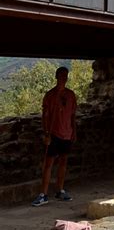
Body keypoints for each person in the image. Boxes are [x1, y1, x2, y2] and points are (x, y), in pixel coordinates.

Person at [32, 66, 77, 207]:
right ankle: (43, 194)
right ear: (56, 76)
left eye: (66, 75)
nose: (64, 77)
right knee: (48, 164)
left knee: (63, 162)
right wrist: (46, 134)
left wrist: (74, 131)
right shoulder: (50, 95)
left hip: (67, 133)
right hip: (53, 134)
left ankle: (60, 190)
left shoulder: (71, 95)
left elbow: (72, 115)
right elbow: (45, 116)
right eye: (61, 75)